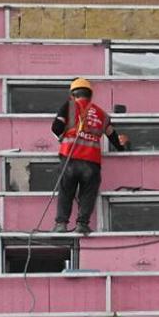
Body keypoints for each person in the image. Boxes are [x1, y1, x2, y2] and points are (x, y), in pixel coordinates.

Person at [50, 78, 128, 235]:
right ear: (90, 95)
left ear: (72, 95)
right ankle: (82, 224)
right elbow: (112, 135)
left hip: (70, 158)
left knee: (66, 191)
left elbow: (56, 127)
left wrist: (63, 134)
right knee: (88, 193)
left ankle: (61, 224)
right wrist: (121, 148)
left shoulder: (69, 106)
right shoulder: (101, 114)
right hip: (91, 162)